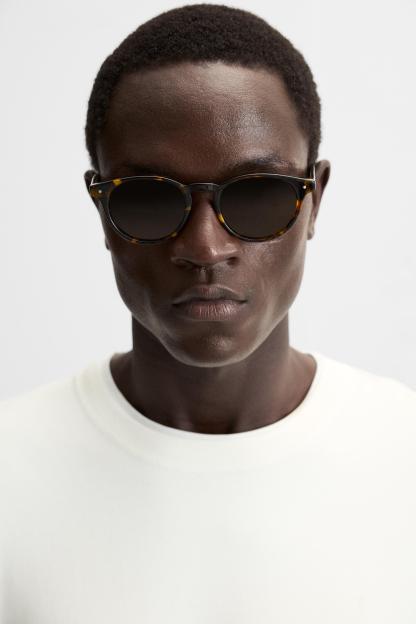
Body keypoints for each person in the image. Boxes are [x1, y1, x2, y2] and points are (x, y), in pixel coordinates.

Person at [1, 4, 415, 622]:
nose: (204, 248)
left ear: (315, 201)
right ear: (101, 211)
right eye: (147, 198)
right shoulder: (10, 469)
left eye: (259, 194)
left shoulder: (403, 454)